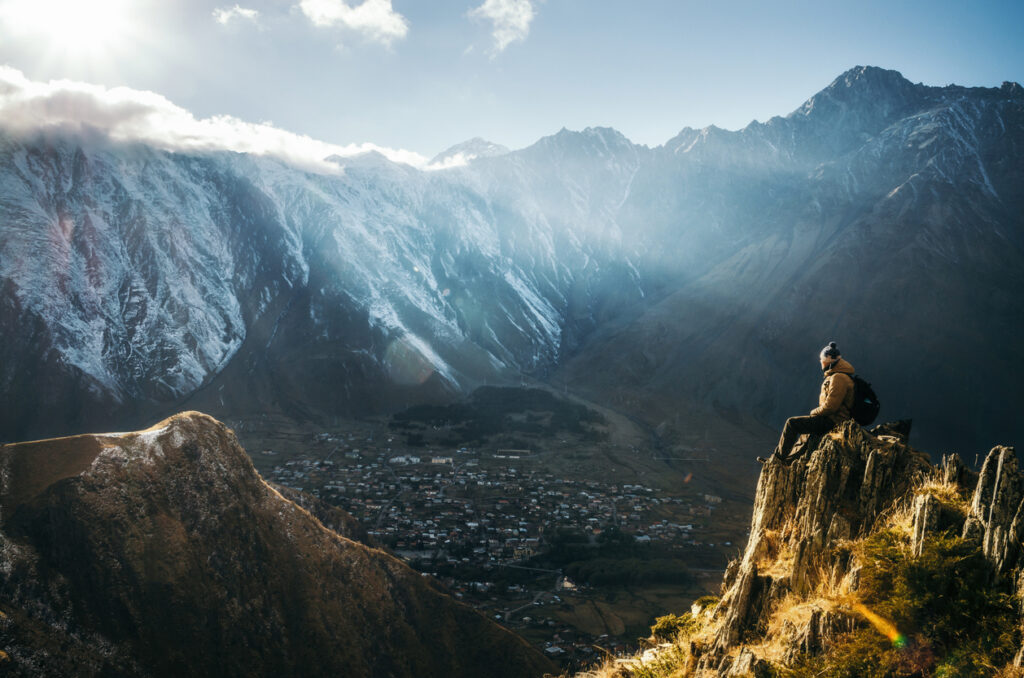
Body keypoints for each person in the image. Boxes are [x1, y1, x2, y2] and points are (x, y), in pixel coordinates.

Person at [757, 342, 856, 465]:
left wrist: (814, 412)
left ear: (829, 360)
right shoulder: (839, 375)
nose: (821, 362)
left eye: (822, 359)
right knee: (806, 432)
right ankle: (786, 461)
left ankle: (778, 458)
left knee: (792, 423)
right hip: (833, 419)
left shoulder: (838, 378)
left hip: (834, 421)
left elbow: (831, 407)